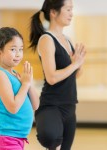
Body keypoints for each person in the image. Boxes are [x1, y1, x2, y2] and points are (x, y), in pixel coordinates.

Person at [29, 0, 86, 150]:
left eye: (72, 9)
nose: (71, 13)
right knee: (51, 138)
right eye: (68, 9)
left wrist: (79, 63)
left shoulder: (67, 40)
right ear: (53, 12)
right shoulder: (46, 39)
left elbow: (74, 75)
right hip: (52, 105)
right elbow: (52, 77)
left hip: (70, 106)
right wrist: (74, 64)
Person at [0, 27, 39, 150]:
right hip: (6, 139)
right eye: (13, 49)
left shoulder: (14, 74)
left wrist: (29, 83)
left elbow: (36, 105)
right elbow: (13, 107)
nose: (18, 54)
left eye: (21, 49)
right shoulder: (0, 74)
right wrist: (25, 84)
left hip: (16, 139)